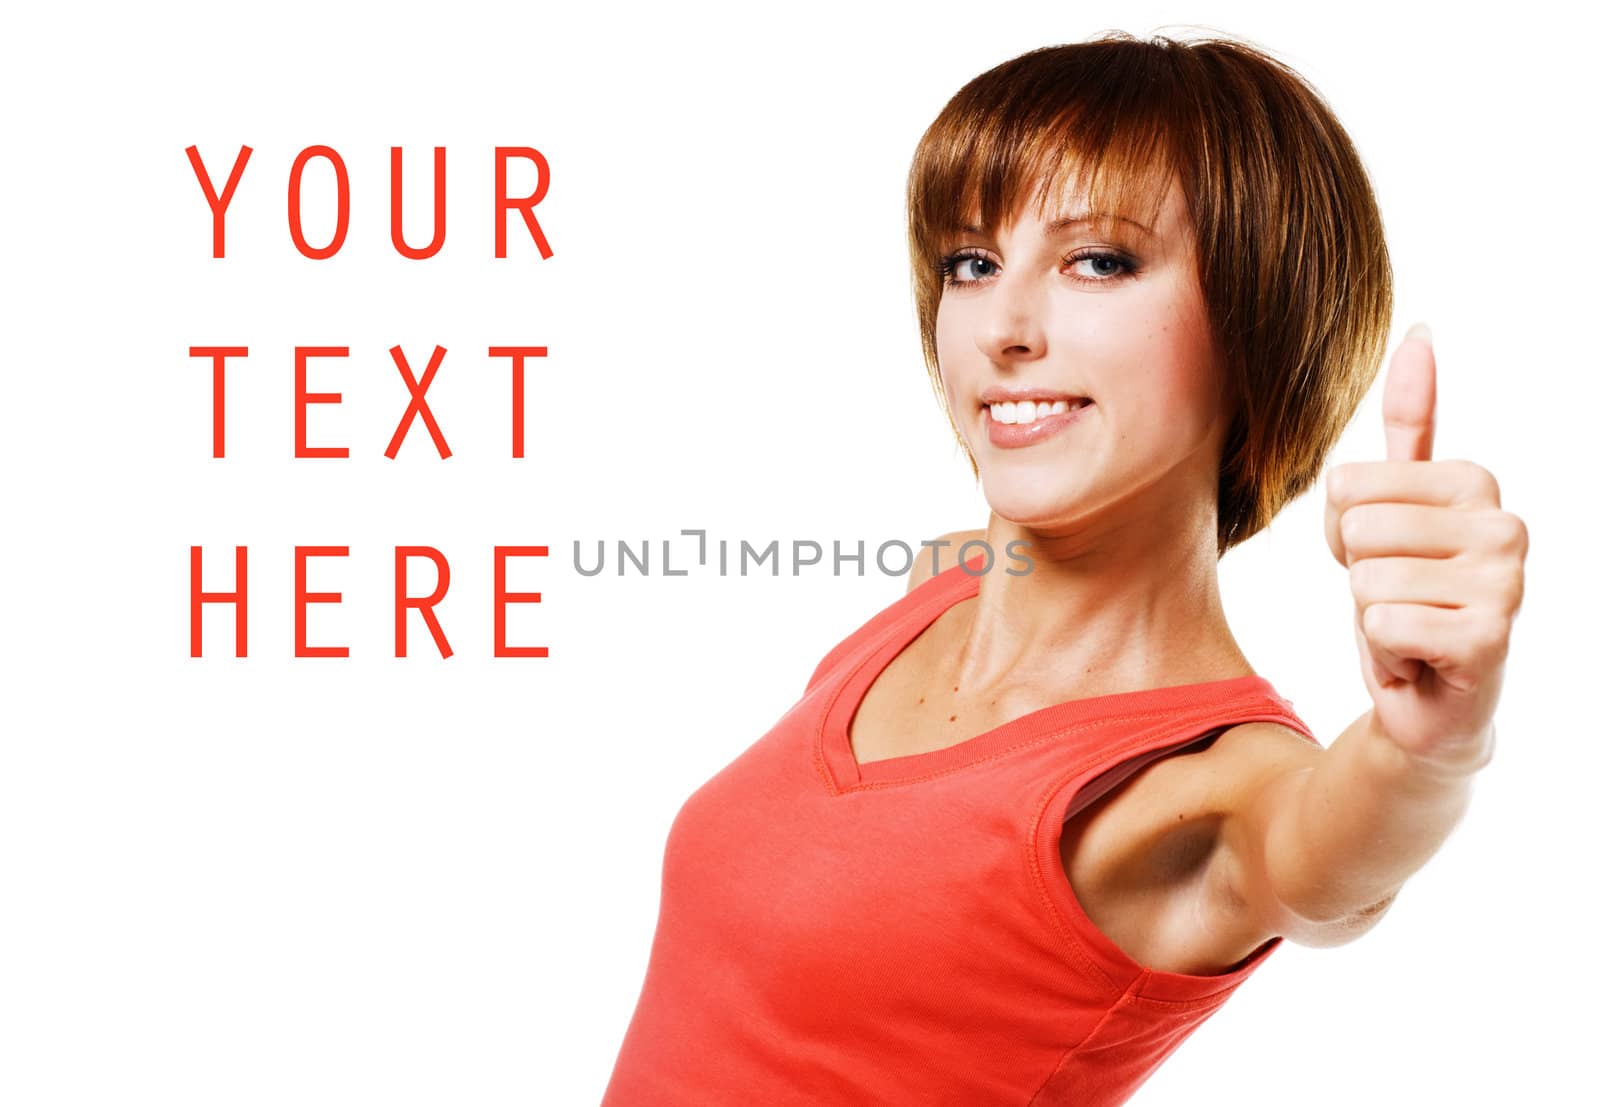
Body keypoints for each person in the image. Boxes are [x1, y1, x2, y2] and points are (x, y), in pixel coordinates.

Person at [600, 30, 1527, 1106]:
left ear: (1256, 320)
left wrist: (1430, 747)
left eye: (1099, 260)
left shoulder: (1203, 790)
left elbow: (1332, 864)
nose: (1002, 325)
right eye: (972, 262)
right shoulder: (936, 590)